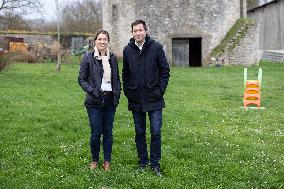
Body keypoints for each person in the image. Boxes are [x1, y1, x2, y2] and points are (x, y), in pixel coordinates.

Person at [122, 20, 170, 176]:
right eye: (135, 31)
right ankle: (143, 162)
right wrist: (129, 92)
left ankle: (155, 164)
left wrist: (160, 91)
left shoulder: (156, 48)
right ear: (132, 33)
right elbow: (125, 74)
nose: (138, 33)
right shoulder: (127, 50)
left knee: (156, 132)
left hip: (154, 98)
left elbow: (164, 71)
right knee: (139, 132)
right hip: (136, 98)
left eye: (140, 30)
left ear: (146, 31)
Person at [78, 29, 121, 171]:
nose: (102, 42)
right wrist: (93, 91)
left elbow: (116, 79)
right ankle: (95, 160)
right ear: (95, 41)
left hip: (109, 101)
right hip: (94, 101)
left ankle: (107, 161)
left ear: (108, 41)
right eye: (100, 39)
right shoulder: (87, 58)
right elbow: (81, 80)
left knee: (108, 132)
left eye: (105, 39)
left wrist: (117, 96)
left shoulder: (112, 58)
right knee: (96, 132)